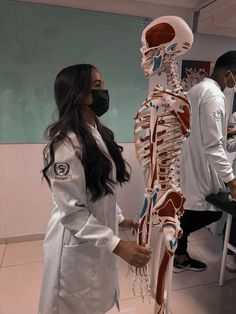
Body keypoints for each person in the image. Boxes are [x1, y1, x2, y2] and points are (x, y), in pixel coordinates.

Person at [38, 64, 152, 314]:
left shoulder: (96, 132)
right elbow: (72, 212)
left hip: (94, 238)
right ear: (78, 94)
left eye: (103, 84)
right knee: (72, 305)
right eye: (97, 86)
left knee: (93, 302)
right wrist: (119, 245)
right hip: (72, 241)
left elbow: (101, 189)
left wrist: (121, 220)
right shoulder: (65, 144)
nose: (104, 92)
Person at [174, 51, 236, 272]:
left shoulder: (196, 90)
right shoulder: (214, 95)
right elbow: (213, 145)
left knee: (187, 211)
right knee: (214, 211)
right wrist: (232, 181)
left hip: (191, 162)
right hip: (200, 166)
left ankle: (179, 255)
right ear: (229, 73)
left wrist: (227, 133)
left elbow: (211, 137)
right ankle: (176, 247)